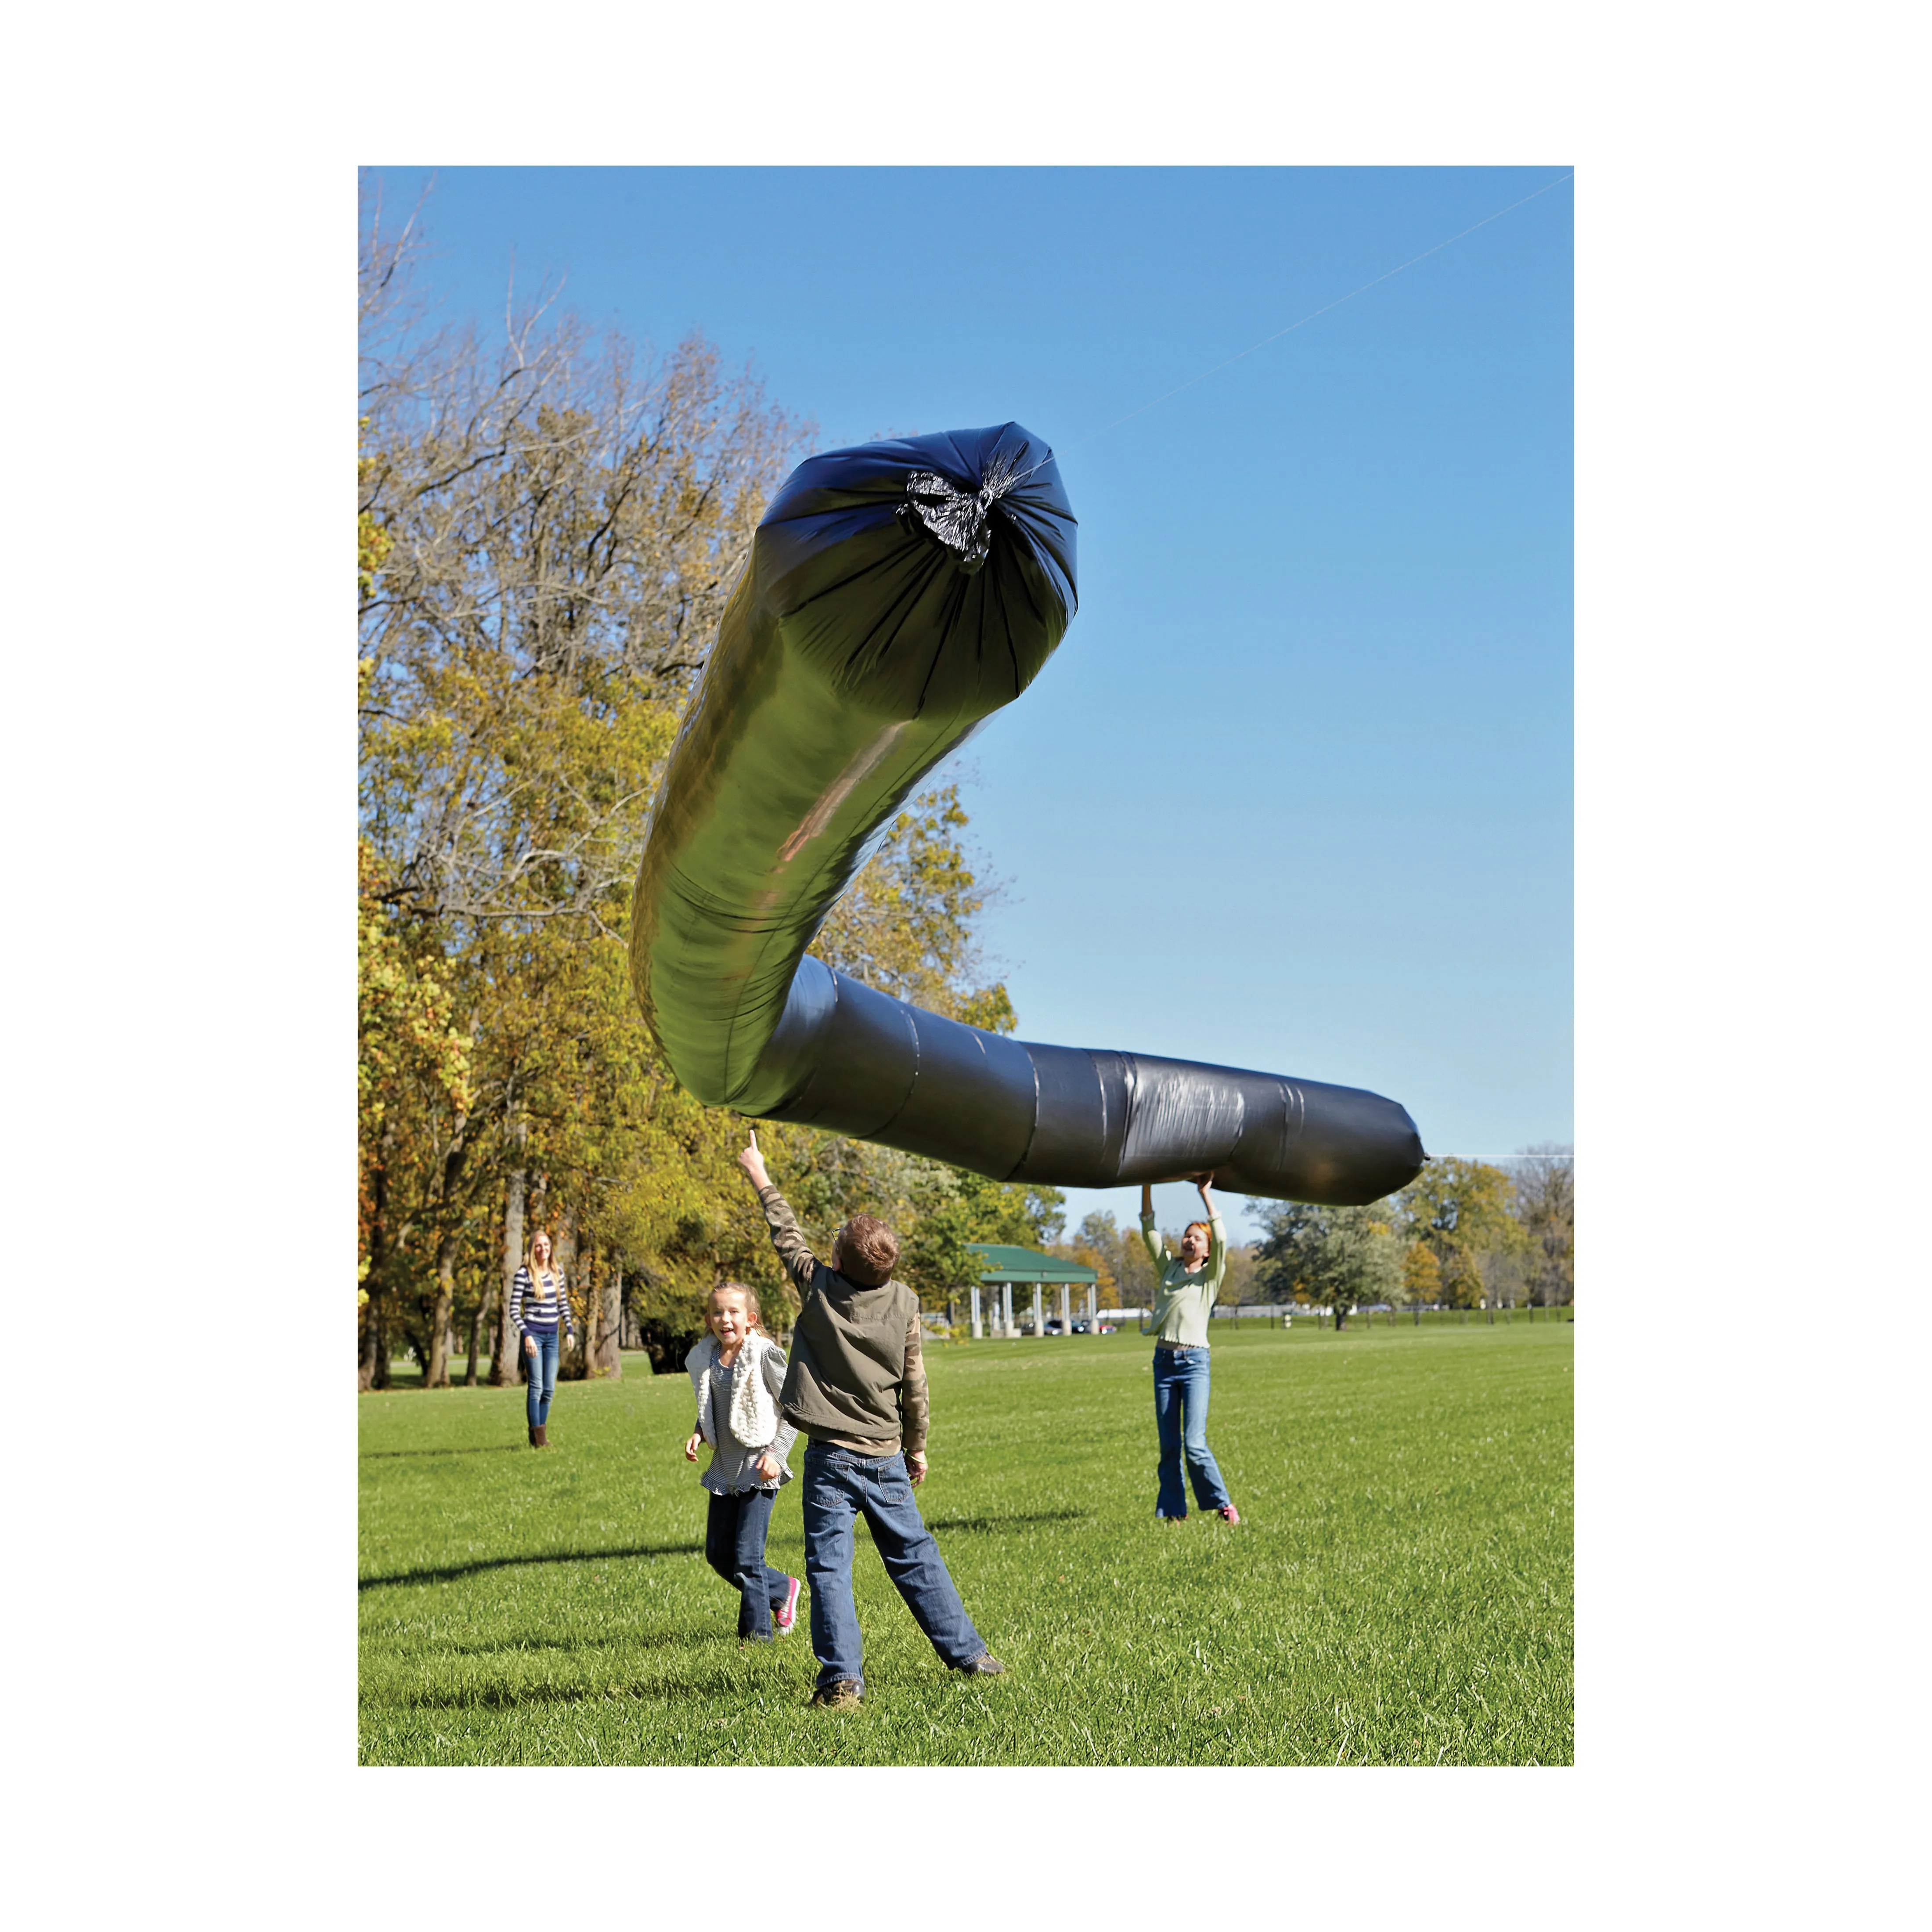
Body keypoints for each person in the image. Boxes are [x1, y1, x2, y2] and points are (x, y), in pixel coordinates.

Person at [735, 1127, 1003, 1709]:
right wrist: (919, 1447)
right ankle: (972, 1656)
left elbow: (786, 1236)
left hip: (831, 1458)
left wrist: (759, 1172)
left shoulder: (820, 1288)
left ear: (835, 1261)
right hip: (885, 1455)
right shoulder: (904, 1302)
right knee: (915, 1555)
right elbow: (915, 1384)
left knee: (830, 1569)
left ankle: (841, 1683)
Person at [683, 1282, 803, 1643]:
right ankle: (783, 1589)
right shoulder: (707, 1358)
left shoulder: (763, 1355)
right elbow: (711, 1405)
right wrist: (699, 1433)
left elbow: (794, 1409)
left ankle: (756, 1639)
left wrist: (777, 1455)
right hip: (725, 1467)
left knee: (749, 1559)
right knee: (720, 1555)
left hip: (759, 1465)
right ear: (709, 1319)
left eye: (734, 1312)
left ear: (750, 1319)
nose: (725, 1319)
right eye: (718, 1312)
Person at [1140, 1174, 1240, 1524]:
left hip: (1195, 1363)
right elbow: (1149, 1231)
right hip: (1164, 1363)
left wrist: (1205, 1195)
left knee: (1194, 1444)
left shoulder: (1209, 1278)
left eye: (1197, 1239)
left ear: (1207, 1250)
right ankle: (1173, 1512)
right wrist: (1146, 1184)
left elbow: (1223, 1237)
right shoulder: (1169, 1268)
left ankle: (1223, 1504)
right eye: (1187, 1236)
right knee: (1169, 1446)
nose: (1189, 1241)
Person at [509, 1229, 576, 1448]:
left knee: (549, 1389)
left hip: (552, 1336)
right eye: (539, 1245)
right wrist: (527, 1335)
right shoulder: (524, 1274)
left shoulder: (558, 1273)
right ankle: (539, 1441)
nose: (543, 1249)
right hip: (534, 1335)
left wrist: (570, 1329)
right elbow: (513, 1310)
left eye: (546, 1245)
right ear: (532, 1249)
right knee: (536, 1386)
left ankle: (540, 1435)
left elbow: (563, 1304)